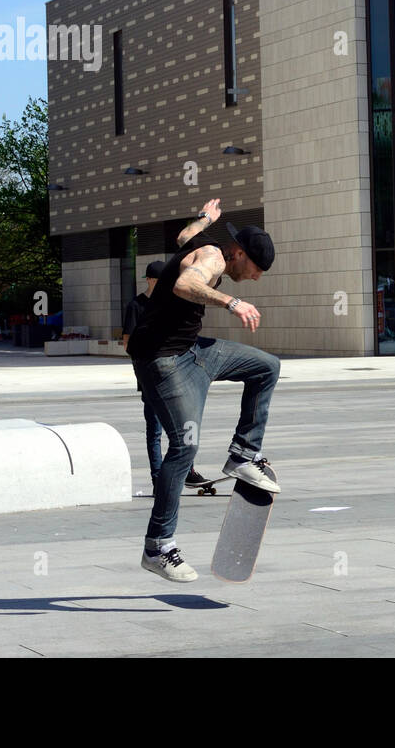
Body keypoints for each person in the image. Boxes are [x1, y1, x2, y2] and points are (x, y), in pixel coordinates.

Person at [128, 198, 281, 582]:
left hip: (193, 352)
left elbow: (183, 236)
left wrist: (204, 218)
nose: (257, 277)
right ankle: (158, 546)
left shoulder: (202, 242)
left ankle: (243, 454)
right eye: (256, 269)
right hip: (160, 360)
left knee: (266, 366)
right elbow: (184, 282)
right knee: (184, 446)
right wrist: (231, 301)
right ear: (239, 253)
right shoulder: (213, 257)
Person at [122, 258, 206, 493]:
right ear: (150, 280)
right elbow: (128, 341)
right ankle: (158, 478)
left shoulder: (169, 303)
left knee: (182, 426)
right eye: (159, 281)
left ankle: (187, 470)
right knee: (155, 429)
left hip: (175, 373)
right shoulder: (136, 306)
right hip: (149, 373)